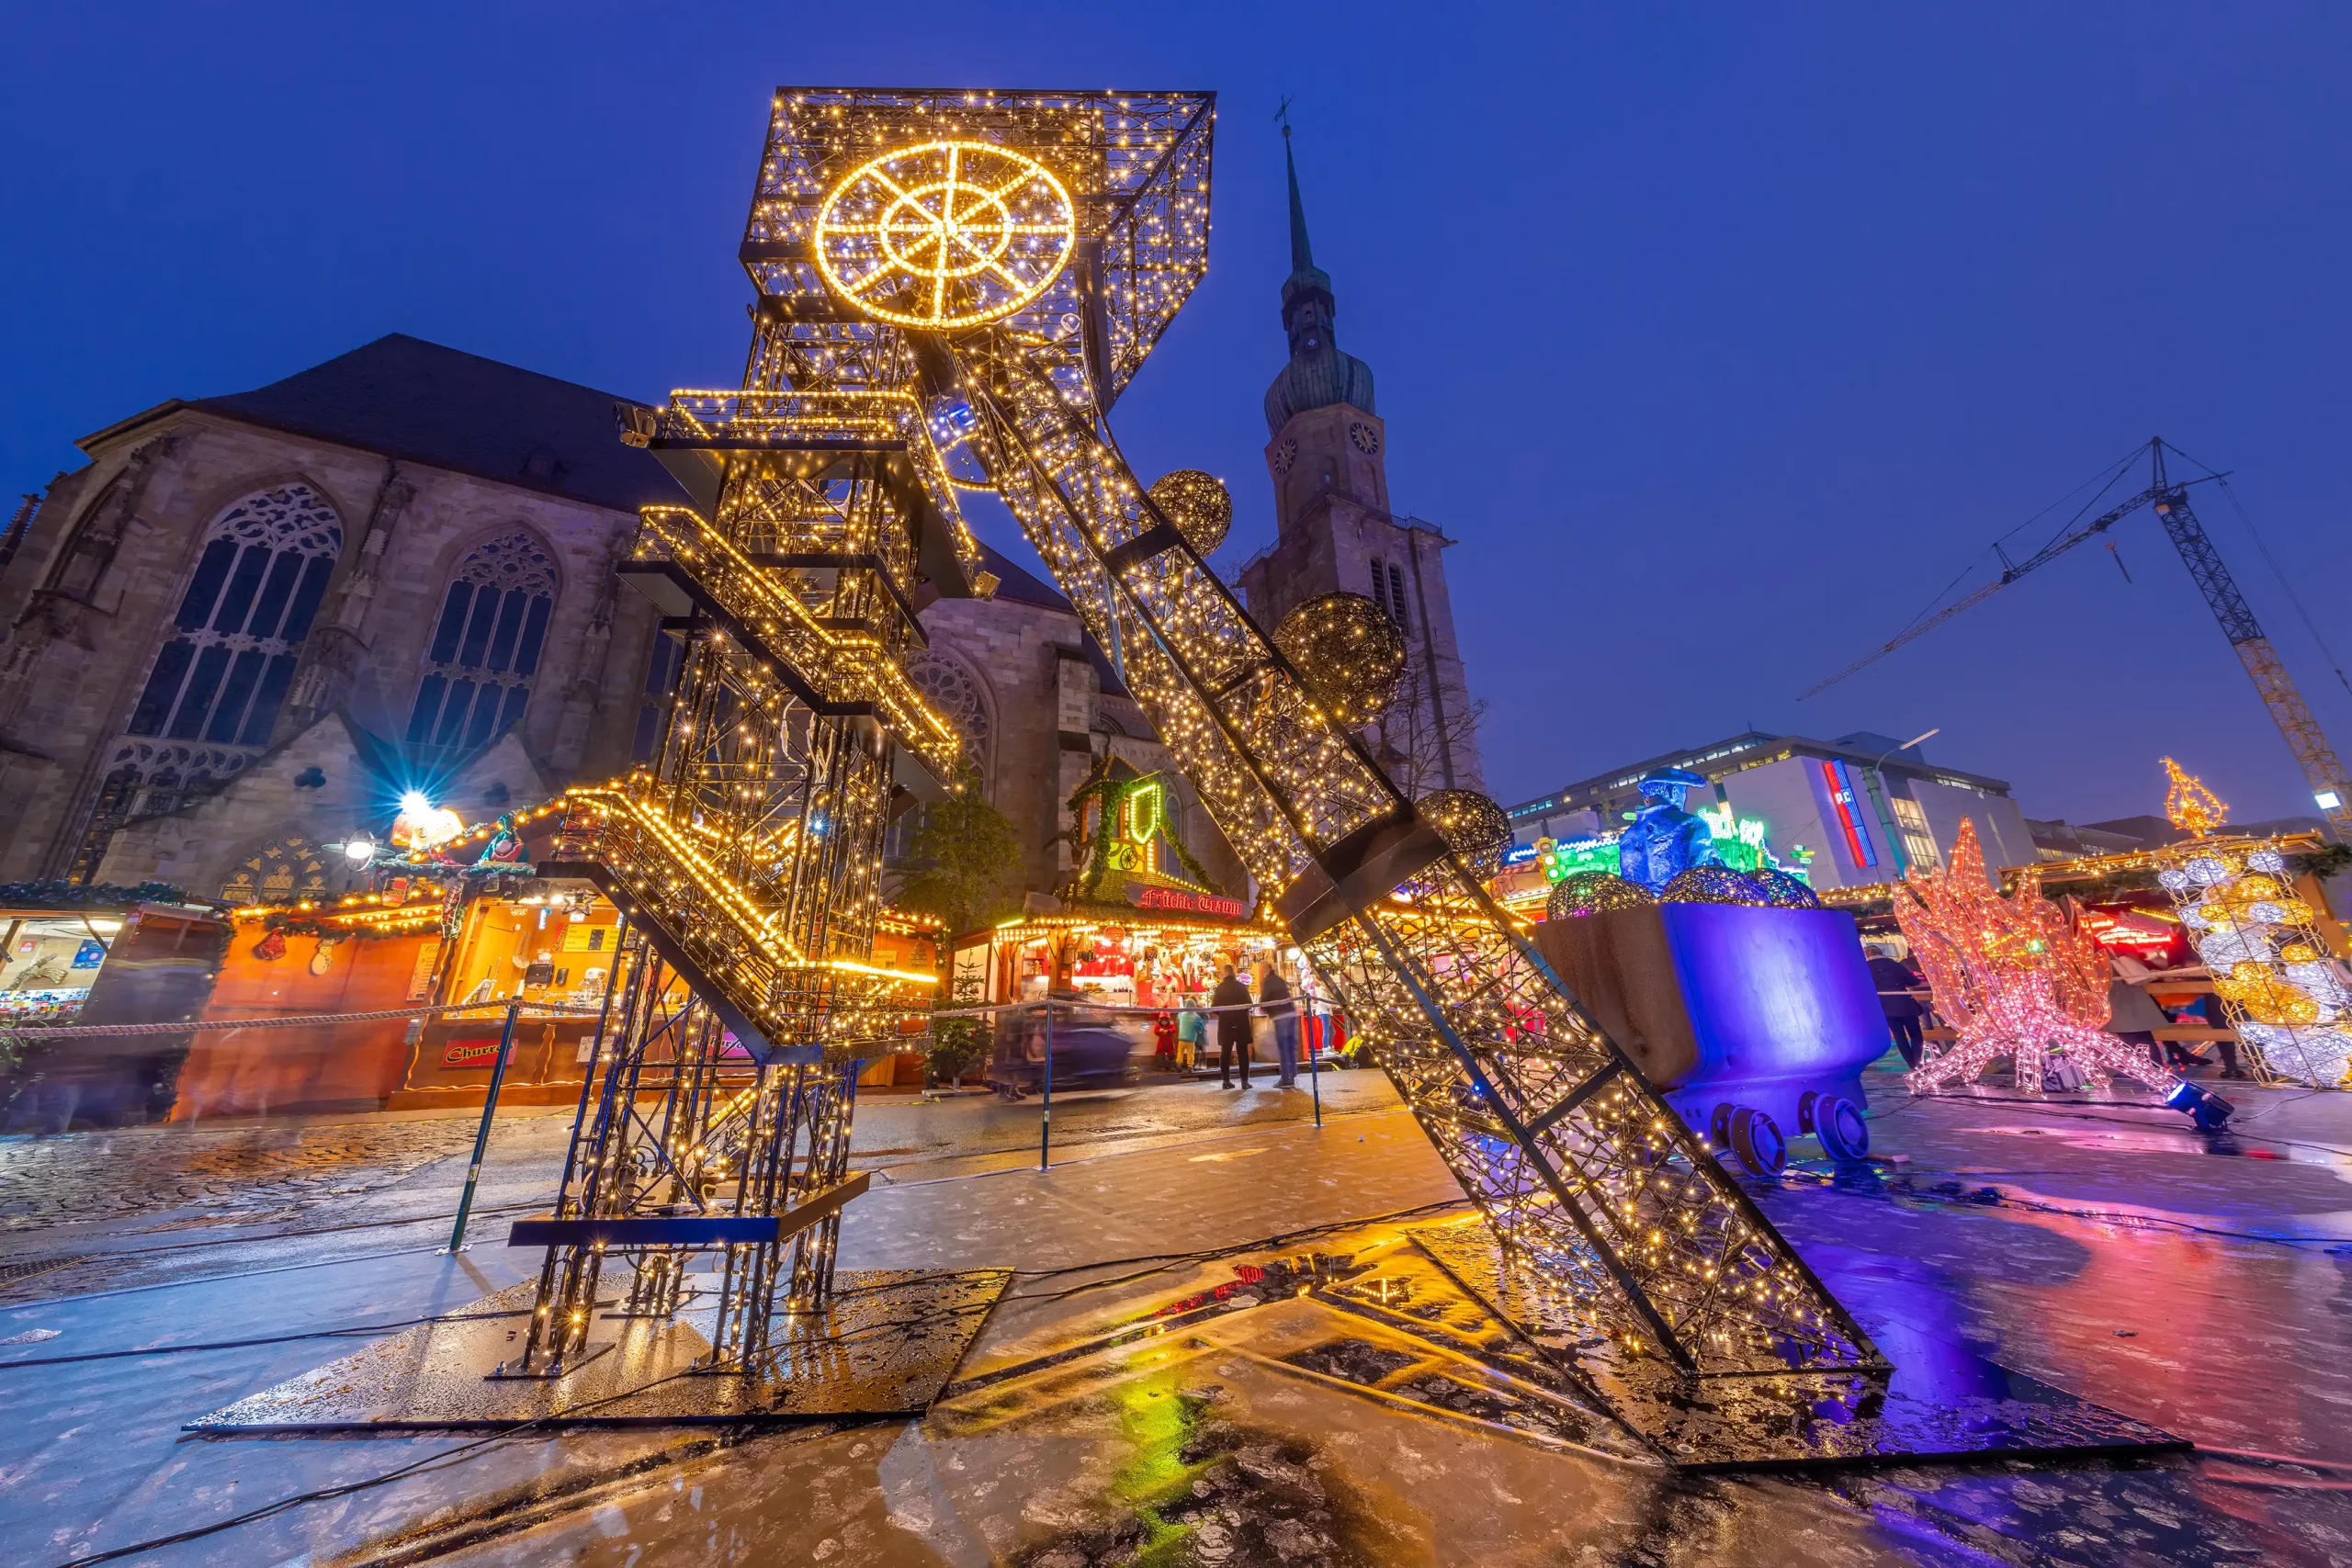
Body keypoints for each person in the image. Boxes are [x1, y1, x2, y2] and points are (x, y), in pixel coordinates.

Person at [1865, 943, 1927, 1069]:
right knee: (1916, 1035)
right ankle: (1918, 1063)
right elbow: (1914, 981)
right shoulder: (1894, 965)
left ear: (1867, 955)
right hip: (1905, 1004)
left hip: (1885, 1006)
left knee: (1900, 1037)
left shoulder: (1865, 968)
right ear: (1881, 952)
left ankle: (1912, 1065)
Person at [1211, 964, 1254, 1089]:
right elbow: (1249, 1004)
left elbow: (1214, 1007)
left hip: (1226, 1022)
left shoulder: (1220, 988)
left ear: (1224, 974)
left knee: (1225, 1051)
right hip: (1241, 1021)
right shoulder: (1241, 986)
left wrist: (1223, 1014)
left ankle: (1226, 1081)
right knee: (1243, 1051)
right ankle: (1245, 1082)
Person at [1260, 959, 1299, 1088]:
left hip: (1280, 1016)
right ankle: (1292, 1074)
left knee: (1283, 1047)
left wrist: (1265, 1010)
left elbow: (1264, 1000)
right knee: (1291, 1046)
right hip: (1291, 1013)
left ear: (1266, 969)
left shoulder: (1268, 982)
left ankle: (1285, 1078)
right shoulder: (1280, 980)